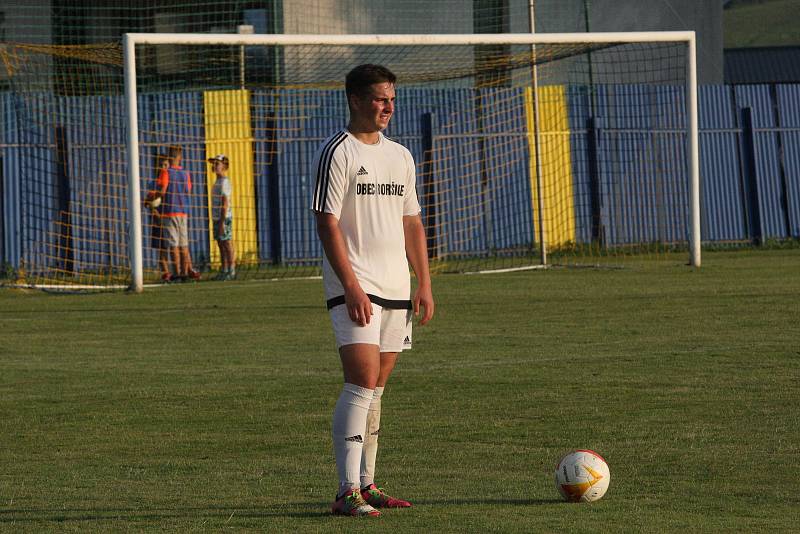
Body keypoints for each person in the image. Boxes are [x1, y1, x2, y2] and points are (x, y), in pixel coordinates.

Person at [311, 64, 435, 518]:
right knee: (360, 384)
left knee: (377, 392)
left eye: (392, 99)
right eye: (381, 99)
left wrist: (424, 282)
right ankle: (346, 492)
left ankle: (368, 483)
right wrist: (351, 286)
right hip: (355, 287)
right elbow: (326, 221)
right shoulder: (338, 152)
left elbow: (412, 222)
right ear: (357, 100)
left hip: (397, 288)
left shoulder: (400, 155)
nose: (389, 107)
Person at [157, 145, 200, 282]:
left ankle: (177, 273)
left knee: (173, 244)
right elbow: (188, 189)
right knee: (184, 244)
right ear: (180, 157)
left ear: (169, 157)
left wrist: (153, 197)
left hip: (170, 212)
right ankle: (185, 272)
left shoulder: (166, 172)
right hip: (184, 211)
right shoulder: (186, 173)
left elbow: (163, 191)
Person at [208, 154, 236, 280]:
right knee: (220, 244)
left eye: (217, 164)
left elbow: (225, 204)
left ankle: (231, 270)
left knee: (227, 243)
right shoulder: (217, 182)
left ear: (224, 166)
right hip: (216, 218)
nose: (214, 166)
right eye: (214, 163)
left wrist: (222, 222)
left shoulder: (225, 182)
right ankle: (224, 270)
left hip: (224, 218)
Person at [146, 155, 172, 282]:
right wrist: (153, 210)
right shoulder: (153, 183)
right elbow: (148, 201)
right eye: (161, 165)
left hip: (170, 217)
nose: (163, 168)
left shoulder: (171, 183)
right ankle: (166, 273)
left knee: (172, 245)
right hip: (157, 218)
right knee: (161, 247)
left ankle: (177, 272)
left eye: (166, 165)